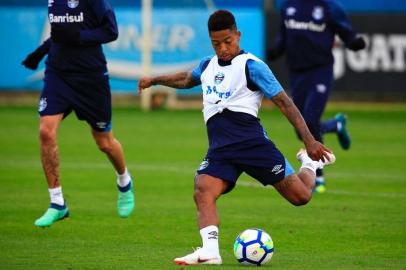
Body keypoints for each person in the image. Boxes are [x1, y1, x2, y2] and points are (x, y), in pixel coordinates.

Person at [138, 10, 335, 265]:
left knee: (300, 197)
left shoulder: (252, 66)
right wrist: (155, 80)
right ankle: (210, 251)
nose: (223, 48)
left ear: (238, 35)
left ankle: (310, 163)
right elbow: (187, 79)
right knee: (202, 189)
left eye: (227, 41)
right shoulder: (207, 65)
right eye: (216, 43)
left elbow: (285, 103)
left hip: (253, 145)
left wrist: (309, 141)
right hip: (220, 150)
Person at [21, 0, 134, 227]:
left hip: (90, 78)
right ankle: (57, 203)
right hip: (58, 75)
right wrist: (40, 52)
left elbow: (111, 31)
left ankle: (124, 181)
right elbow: (61, 34)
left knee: (104, 142)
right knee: (46, 131)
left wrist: (80, 38)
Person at [267, 0, 366, 193]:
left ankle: (318, 176)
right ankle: (335, 125)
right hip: (297, 72)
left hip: (320, 71)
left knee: (310, 121)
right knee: (300, 127)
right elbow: (284, 35)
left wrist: (354, 42)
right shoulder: (288, 6)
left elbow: (345, 30)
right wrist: (276, 50)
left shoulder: (329, 6)